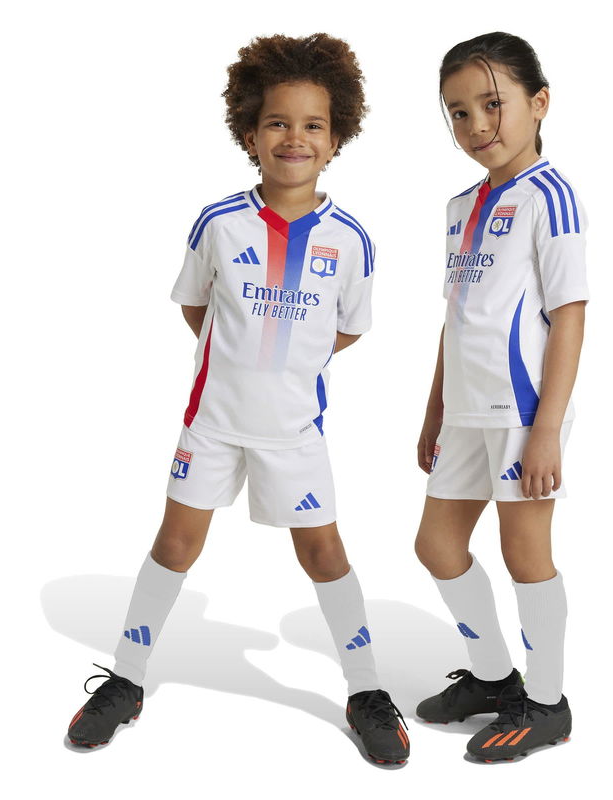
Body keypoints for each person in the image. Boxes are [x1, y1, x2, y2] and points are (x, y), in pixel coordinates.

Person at [66, 33, 409, 765]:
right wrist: (240, 358)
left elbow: (348, 327)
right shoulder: (218, 222)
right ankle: (126, 679)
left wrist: (289, 362)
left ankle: (367, 689)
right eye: (277, 123)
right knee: (175, 543)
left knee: (324, 552)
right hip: (214, 424)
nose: (295, 138)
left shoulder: (351, 240)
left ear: (337, 138)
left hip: (295, 430)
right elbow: (198, 306)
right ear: (250, 133)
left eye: (313, 125)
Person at [414, 31, 589, 763]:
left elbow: (570, 314)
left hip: (522, 410)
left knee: (524, 553)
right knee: (436, 545)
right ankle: (493, 678)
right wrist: (434, 409)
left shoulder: (551, 196)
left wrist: (546, 430)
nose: (477, 124)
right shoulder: (460, 206)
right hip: (465, 410)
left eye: (493, 104)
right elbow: (457, 315)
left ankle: (546, 704)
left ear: (538, 102)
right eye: (458, 112)